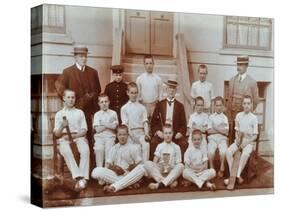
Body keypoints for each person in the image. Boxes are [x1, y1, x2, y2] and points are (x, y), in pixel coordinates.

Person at [55, 46, 101, 168]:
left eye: (85, 56)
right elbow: (59, 88)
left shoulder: (93, 72)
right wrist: (70, 101)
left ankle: (89, 168)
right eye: (81, 56)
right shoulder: (67, 71)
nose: (83, 58)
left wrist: (91, 102)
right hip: (73, 112)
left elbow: (97, 90)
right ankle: (75, 167)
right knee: (74, 141)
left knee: (88, 139)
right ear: (75, 57)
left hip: (88, 112)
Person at [53, 89, 90, 191]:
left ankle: (83, 178)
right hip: (64, 138)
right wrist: (62, 126)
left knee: (85, 150)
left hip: (78, 136)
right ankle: (79, 177)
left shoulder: (80, 112)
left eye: (73, 97)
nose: (71, 100)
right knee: (66, 150)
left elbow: (84, 130)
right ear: (64, 98)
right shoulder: (59, 114)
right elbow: (56, 133)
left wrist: (74, 136)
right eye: (68, 97)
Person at [91, 125, 146, 192]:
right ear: (117, 135)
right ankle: (129, 184)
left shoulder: (133, 147)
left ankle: (115, 186)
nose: (122, 137)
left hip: (128, 173)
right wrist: (114, 168)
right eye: (120, 135)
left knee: (142, 168)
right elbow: (108, 165)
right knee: (96, 171)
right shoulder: (113, 148)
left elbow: (139, 163)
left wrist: (131, 168)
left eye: (124, 134)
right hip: (116, 174)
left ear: (127, 135)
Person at [224, 95, 258, 186]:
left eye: (248, 103)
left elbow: (255, 136)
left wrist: (246, 142)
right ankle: (233, 175)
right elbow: (237, 130)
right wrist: (238, 139)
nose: (246, 105)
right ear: (242, 105)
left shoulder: (254, 118)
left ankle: (237, 175)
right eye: (244, 103)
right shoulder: (238, 115)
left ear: (251, 105)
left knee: (245, 154)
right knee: (228, 152)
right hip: (239, 140)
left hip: (248, 142)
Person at [150, 80, 188, 158]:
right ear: (166, 89)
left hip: (174, 135)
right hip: (162, 134)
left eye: (174, 88)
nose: (171, 90)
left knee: (184, 144)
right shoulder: (159, 104)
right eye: (170, 88)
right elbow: (153, 122)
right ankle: (153, 164)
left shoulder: (180, 106)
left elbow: (183, 124)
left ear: (176, 90)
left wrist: (180, 133)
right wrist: (158, 132)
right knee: (153, 142)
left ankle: (180, 165)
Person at [226, 55, 259, 141]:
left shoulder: (252, 82)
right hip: (233, 117)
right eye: (238, 64)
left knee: (244, 142)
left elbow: (255, 101)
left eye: (241, 65)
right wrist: (229, 116)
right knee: (233, 140)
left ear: (246, 66)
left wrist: (247, 112)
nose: (238, 67)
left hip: (245, 118)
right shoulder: (232, 80)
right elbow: (229, 99)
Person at [144, 124, 184, 190]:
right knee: (147, 163)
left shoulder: (176, 147)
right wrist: (158, 166)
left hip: (171, 172)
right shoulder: (160, 146)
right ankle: (167, 182)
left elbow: (178, 163)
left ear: (173, 133)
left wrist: (171, 167)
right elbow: (154, 162)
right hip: (160, 172)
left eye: (169, 133)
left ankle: (160, 184)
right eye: (166, 133)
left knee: (181, 166)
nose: (168, 135)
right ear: (163, 134)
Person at [121, 82, 150, 161]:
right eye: (132, 93)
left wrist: (146, 134)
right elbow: (125, 124)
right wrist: (132, 135)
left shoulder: (142, 107)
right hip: (130, 134)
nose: (134, 95)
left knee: (146, 145)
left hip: (141, 133)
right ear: (127, 93)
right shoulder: (124, 108)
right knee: (131, 148)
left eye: (136, 93)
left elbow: (145, 122)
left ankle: (145, 168)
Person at [93, 94, 119, 167]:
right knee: (99, 149)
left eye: (106, 101)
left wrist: (102, 123)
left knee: (109, 149)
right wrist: (109, 124)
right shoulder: (97, 114)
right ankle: (99, 172)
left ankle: (107, 172)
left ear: (109, 102)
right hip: (99, 138)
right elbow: (97, 130)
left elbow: (114, 127)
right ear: (99, 104)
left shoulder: (113, 113)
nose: (104, 104)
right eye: (102, 102)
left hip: (110, 137)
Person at [207, 96, 229, 178]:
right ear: (214, 106)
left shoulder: (225, 118)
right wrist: (220, 128)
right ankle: (212, 167)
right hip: (212, 138)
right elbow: (209, 131)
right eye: (217, 105)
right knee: (210, 151)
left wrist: (215, 127)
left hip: (222, 139)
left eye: (220, 105)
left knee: (223, 151)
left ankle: (222, 167)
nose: (219, 107)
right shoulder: (211, 117)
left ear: (223, 106)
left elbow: (226, 132)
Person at [136, 55, 162, 120]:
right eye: (147, 63)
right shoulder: (140, 79)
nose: (149, 66)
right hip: (143, 105)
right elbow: (138, 94)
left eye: (151, 63)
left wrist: (158, 106)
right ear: (144, 65)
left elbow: (160, 94)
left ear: (153, 64)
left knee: (154, 123)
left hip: (154, 105)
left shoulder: (158, 79)